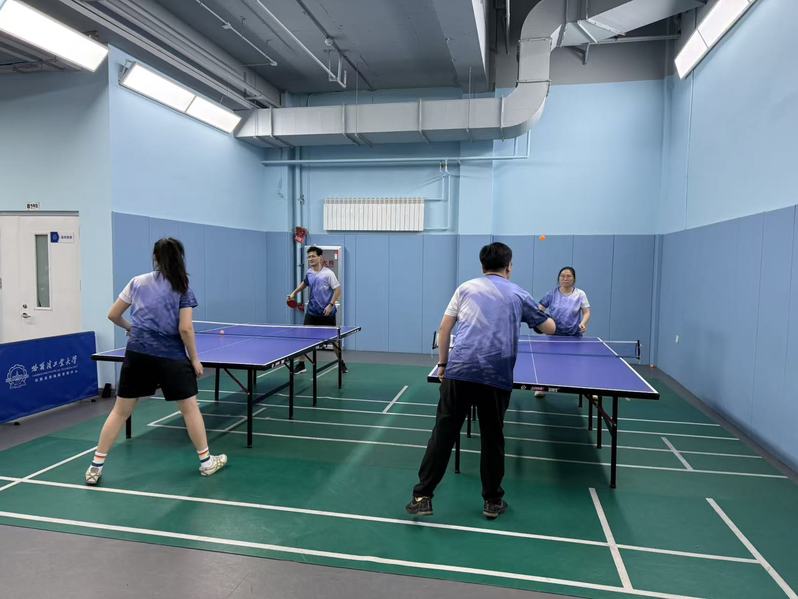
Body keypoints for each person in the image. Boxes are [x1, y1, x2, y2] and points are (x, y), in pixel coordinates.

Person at [406, 242, 555, 520]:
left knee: (443, 435)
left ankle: (422, 497)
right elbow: (550, 327)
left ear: (482, 265)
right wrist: (537, 317)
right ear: (509, 266)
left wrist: (442, 364)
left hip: (459, 371)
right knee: (492, 438)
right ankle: (492, 501)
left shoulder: (465, 288)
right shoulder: (519, 293)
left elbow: (444, 328)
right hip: (495, 376)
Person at [84, 238, 227, 486]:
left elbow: (113, 314)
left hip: (137, 353)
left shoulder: (137, 282)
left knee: (120, 411)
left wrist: (131, 328)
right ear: (180, 257)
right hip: (171, 356)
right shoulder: (182, 286)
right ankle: (206, 462)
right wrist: (195, 359)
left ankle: (95, 467)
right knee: (189, 408)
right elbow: (185, 329)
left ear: (155, 257)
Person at [287, 245, 346, 374]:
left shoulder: (328, 273)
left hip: (326, 313)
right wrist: (294, 293)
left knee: (334, 340)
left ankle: (341, 361)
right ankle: (301, 364)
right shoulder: (309, 272)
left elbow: (337, 290)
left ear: (320, 257)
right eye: (309, 257)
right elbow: (305, 283)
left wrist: (331, 305)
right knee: (304, 338)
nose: (311, 259)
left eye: (313, 256)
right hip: (312, 312)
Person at [534, 266, 591, 397]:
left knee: (578, 364)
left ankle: (587, 389)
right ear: (559, 278)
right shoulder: (551, 294)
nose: (565, 278)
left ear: (574, 279)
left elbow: (587, 312)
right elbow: (539, 309)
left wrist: (583, 323)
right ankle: (541, 387)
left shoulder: (580, 294)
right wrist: (541, 322)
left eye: (568, 276)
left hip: (574, 335)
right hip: (554, 335)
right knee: (548, 362)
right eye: (562, 276)